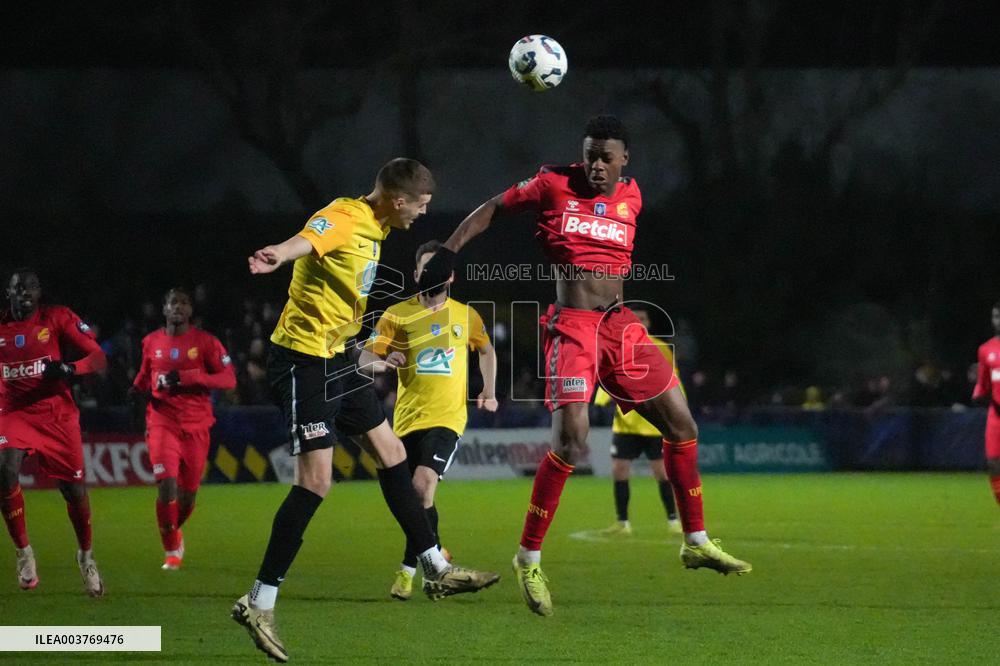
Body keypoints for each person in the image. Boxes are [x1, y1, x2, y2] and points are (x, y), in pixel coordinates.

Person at [420, 115, 751, 617]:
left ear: (624, 159)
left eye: (605, 156)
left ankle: (695, 539)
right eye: (589, 154)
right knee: (571, 441)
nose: (595, 164)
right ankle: (528, 556)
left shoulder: (633, 196)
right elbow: (492, 209)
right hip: (573, 327)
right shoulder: (553, 182)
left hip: (621, 327)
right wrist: (448, 251)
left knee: (683, 426)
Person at [232, 158, 499, 662]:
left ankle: (435, 568)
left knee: (391, 450)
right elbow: (308, 239)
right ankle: (259, 600)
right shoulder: (348, 216)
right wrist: (279, 254)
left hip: (337, 359)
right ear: (399, 200)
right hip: (302, 363)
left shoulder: (376, 229)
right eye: (421, 206)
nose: (423, 214)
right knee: (316, 482)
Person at [360, 240, 499, 601]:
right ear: (416, 274)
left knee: (421, 488)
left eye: (437, 267)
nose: (430, 273)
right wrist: (383, 363)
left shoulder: (466, 316)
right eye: (425, 267)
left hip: (448, 418)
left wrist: (488, 388)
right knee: (415, 502)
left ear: (450, 275)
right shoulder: (397, 314)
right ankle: (432, 566)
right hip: (405, 421)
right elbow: (363, 359)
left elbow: (487, 351)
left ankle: (408, 571)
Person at [0, 268, 106, 596]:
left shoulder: (56, 318)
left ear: (39, 292)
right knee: (4, 471)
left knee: (73, 492)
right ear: (9, 294)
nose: (23, 294)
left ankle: (86, 556)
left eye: (29, 288)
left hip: (57, 416)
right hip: (14, 414)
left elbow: (98, 357)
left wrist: (70, 369)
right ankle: (24, 553)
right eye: (17, 289)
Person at [131, 288, 237, 570]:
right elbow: (145, 375)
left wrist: (189, 377)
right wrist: (135, 392)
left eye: (184, 303)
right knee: (166, 485)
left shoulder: (206, 343)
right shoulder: (150, 341)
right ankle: (171, 550)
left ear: (191, 311)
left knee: (187, 495)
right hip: (161, 422)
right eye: (173, 302)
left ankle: (171, 530)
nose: (178, 307)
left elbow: (228, 379)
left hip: (196, 426)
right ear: (164, 309)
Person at [592, 307, 680, 536]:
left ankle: (673, 520)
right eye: (635, 319)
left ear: (648, 322)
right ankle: (623, 523)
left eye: (643, 318)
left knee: (662, 473)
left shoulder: (660, 348)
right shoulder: (617, 348)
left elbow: (672, 380)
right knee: (619, 471)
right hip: (625, 423)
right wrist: (602, 399)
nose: (639, 322)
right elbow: (608, 377)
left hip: (652, 424)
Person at [972, 301, 1000, 504]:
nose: (998, 321)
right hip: (996, 413)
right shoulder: (986, 349)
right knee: (993, 463)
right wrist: (977, 394)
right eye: (995, 316)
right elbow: (984, 384)